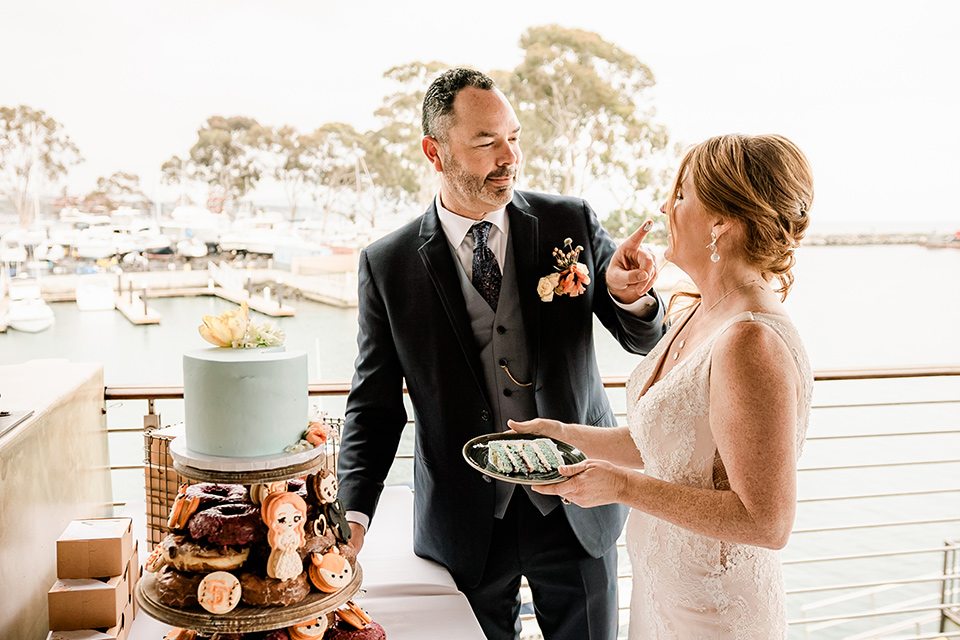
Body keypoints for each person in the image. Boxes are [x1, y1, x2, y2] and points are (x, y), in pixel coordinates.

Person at [336, 67, 668, 640]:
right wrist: (354, 514)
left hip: (576, 503)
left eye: (513, 137)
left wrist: (628, 296)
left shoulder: (570, 221)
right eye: (486, 142)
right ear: (434, 152)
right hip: (467, 523)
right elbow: (374, 406)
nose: (508, 156)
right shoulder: (387, 264)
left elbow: (640, 336)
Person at [511, 133, 814, 639]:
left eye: (680, 196)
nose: (664, 207)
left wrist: (622, 486)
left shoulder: (751, 341)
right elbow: (667, 445)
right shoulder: (698, 309)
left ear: (721, 223)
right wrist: (567, 435)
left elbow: (767, 521)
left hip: (713, 615)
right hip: (661, 595)